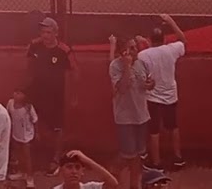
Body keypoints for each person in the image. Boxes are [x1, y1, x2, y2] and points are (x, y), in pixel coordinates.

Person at [25, 17, 75, 177]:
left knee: (57, 127)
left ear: (55, 33)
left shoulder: (64, 50)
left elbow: (74, 72)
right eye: (42, 32)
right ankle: (33, 157)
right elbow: (28, 67)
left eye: (48, 32)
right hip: (36, 92)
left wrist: (73, 95)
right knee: (33, 123)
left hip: (55, 96)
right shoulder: (34, 46)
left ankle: (56, 158)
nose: (45, 35)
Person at [139, 14, 188, 170]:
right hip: (170, 95)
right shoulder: (171, 49)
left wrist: (144, 44)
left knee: (154, 129)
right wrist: (171, 21)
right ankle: (178, 158)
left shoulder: (143, 55)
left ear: (150, 39)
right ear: (164, 38)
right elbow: (183, 40)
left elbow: (147, 64)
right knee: (173, 126)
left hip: (152, 96)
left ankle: (156, 162)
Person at [108, 36, 152, 188]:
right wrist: (127, 66)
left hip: (142, 116)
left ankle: (132, 181)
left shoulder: (141, 63)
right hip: (125, 118)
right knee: (130, 156)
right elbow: (121, 88)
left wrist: (150, 84)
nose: (135, 50)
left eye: (135, 47)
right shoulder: (115, 66)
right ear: (123, 52)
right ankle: (121, 179)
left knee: (138, 155)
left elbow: (148, 84)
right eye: (131, 48)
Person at [7, 88, 38, 188]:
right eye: (15, 92)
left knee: (27, 157)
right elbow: (8, 116)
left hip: (26, 136)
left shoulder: (28, 108)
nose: (16, 94)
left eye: (19, 93)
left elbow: (35, 120)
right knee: (19, 155)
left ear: (24, 96)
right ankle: (22, 173)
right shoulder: (10, 103)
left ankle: (29, 177)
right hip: (16, 134)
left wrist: (37, 134)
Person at [55, 149, 120, 189]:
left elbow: (113, 184)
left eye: (77, 167)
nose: (74, 171)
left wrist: (87, 160)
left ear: (82, 171)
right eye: (69, 167)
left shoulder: (91, 187)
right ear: (61, 170)